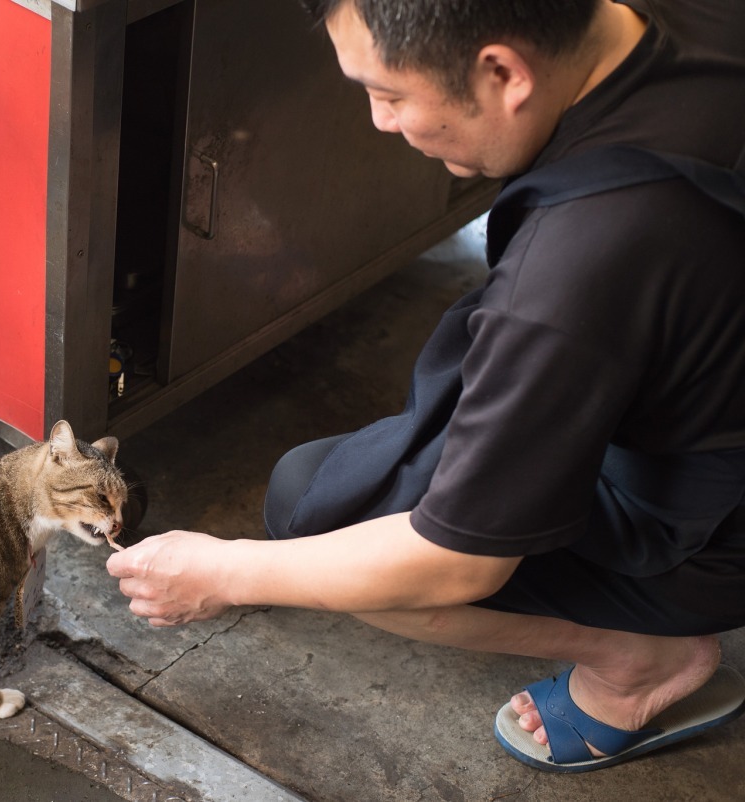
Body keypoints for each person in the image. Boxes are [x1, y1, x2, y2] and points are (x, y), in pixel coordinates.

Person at [108, 0, 745, 773]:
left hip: (713, 527)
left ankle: (639, 660)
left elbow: (456, 560)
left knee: (316, 508)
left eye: (391, 94)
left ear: (503, 72)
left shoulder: (578, 264)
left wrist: (227, 573)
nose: (380, 121)